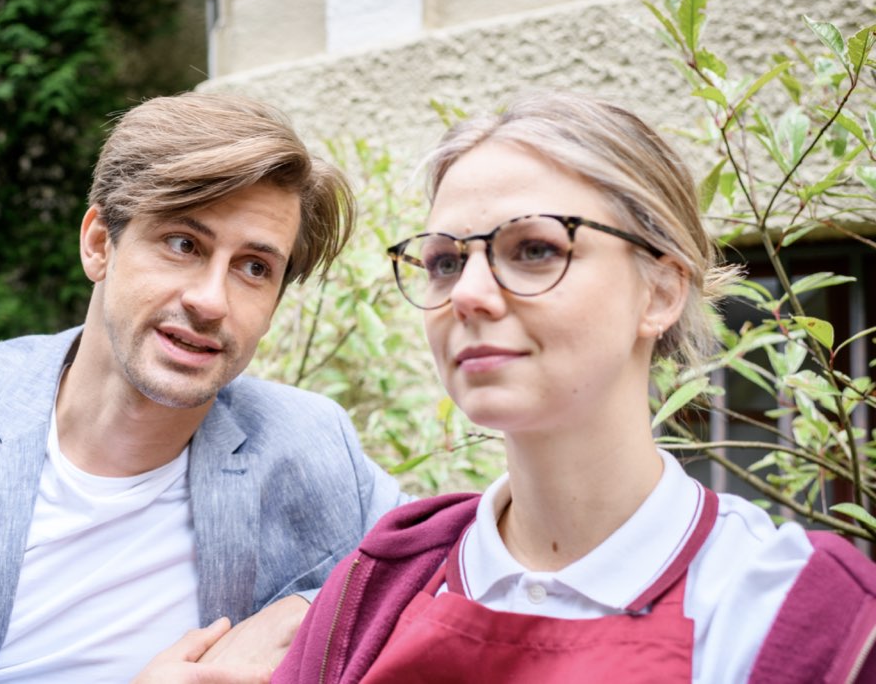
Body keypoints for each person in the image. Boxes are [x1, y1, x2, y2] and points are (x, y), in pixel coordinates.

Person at [0, 93, 408, 684]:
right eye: (181, 243)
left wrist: (309, 614)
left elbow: (466, 572)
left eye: (254, 267)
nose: (210, 300)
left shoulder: (311, 444)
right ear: (98, 244)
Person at [274, 92, 876, 683]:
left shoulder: (801, 614)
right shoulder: (378, 587)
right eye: (445, 263)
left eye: (534, 249)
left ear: (660, 292)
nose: (467, 294)